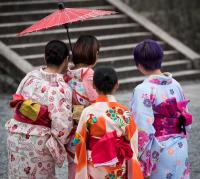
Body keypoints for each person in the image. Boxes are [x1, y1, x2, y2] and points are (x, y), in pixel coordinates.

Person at [6, 40, 73, 179]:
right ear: (66, 60)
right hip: (39, 142)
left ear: (45, 57)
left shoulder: (30, 76)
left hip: (15, 135)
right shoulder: (61, 88)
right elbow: (62, 127)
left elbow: (17, 98)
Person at [130, 39, 192, 179]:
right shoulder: (175, 84)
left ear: (138, 64)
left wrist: (141, 158)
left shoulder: (142, 90)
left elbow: (142, 128)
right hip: (180, 145)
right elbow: (186, 118)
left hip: (159, 150)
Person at [73, 67, 144, 179]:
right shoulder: (124, 112)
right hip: (118, 163)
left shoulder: (88, 112)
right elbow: (133, 141)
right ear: (116, 85)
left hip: (95, 163)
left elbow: (79, 140)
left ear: (94, 86)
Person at [64, 35, 99, 178]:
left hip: (72, 129)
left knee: (74, 165)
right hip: (89, 128)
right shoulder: (90, 75)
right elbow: (97, 102)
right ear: (94, 54)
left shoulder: (68, 74)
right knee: (90, 166)